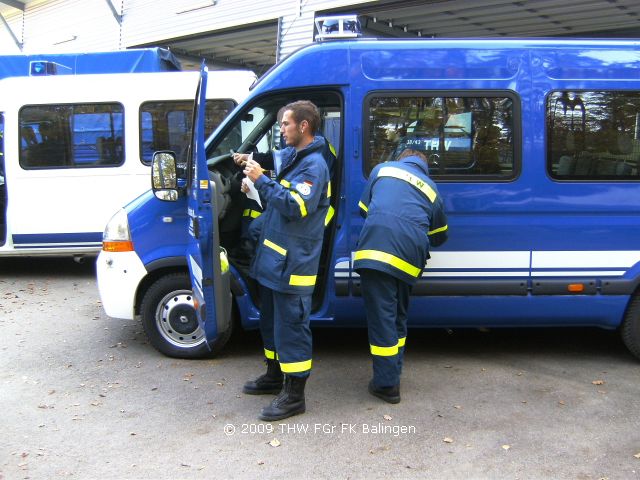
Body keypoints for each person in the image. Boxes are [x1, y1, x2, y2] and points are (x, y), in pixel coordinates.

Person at [240, 100, 330, 421]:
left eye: (285, 124)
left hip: (293, 266)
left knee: (292, 329)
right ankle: (274, 376)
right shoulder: (297, 159)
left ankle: (294, 397)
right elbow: (281, 197)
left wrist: (262, 179)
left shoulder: (315, 166)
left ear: (303, 126)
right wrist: (255, 183)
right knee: (271, 324)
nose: (281, 130)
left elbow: (295, 205)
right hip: (276, 261)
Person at [354, 148, 448, 404]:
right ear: (424, 166)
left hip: (377, 252)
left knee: (382, 319)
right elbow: (440, 235)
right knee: (397, 316)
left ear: (402, 158)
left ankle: (386, 385)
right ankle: (393, 372)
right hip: (410, 259)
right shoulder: (431, 188)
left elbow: (363, 209)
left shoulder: (382, 170)